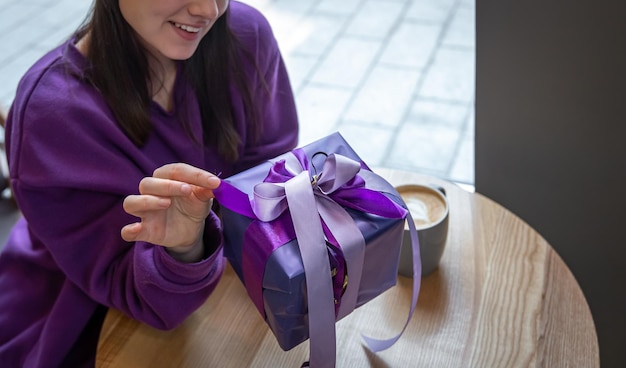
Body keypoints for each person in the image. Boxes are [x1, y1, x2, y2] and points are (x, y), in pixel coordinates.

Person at [0, 0, 298, 366]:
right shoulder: (52, 115)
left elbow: (269, 171)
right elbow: (141, 297)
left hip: (232, 290)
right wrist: (185, 248)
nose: (208, 9)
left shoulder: (245, 34)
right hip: (79, 317)